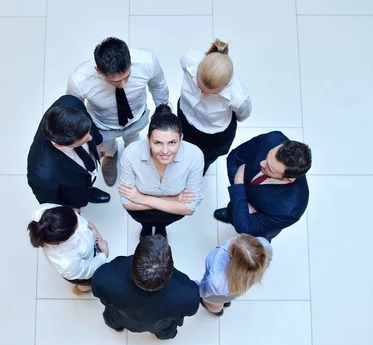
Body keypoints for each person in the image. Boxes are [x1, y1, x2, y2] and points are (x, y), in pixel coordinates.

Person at [67, 37, 169, 187]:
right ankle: (110, 155)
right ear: (98, 70)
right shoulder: (80, 80)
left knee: (133, 139)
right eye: (115, 81)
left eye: (127, 77)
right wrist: (90, 138)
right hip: (103, 127)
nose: (123, 84)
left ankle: (132, 152)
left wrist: (162, 112)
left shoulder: (147, 62)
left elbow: (158, 86)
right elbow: (76, 111)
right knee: (107, 147)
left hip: (136, 118)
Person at [118, 104, 204, 239]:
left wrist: (141, 198)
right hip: (142, 213)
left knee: (163, 224)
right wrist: (175, 199)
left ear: (181, 138)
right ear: (148, 139)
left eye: (172, 143)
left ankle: (161, 228)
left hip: (169, 214)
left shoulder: (194, 155)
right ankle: (146, 227)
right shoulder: (131, 153)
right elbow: (127, 203)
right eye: (157, 143)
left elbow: (189, 208)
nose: (165, 151)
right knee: (144, 223)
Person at [92, 235, 199, 340]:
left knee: (114, 322)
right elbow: (190, 311)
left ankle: (118, 328)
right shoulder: (189, 294)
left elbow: (98, 292)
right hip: (159, 326)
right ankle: (162, 336)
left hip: (119, 317)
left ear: (134, 259)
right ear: (170, 265)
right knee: (166, 332)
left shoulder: (104, 277)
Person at [214, 131, 311, 241]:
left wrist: (239, 184)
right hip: (246, 208)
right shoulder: (273, 139)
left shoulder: (291, 209)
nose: (262, 163)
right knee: (234, 212)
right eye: (267, 156)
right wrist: (240, 196)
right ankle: (231, 214)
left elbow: (244, 227)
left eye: (270, 168)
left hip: (261, 228)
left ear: (288, 179)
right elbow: (233, 159)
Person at [178, 39, 251, 174]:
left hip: (213, 135)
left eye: (213, 93)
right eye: (199, 87)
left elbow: (242, 115)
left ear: (226, 84)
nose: (203, 94)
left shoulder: (238, 97)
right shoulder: (190, 61)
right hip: (184, 116)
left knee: (203, 161)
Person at [27, 95, 110, 210]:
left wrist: (99, 143)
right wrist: (68, 210)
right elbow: (49, 202)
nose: (90, 139)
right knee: (77, 198)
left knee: (85, 185)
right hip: (71, 191)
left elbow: (88, 121)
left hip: (82, 178)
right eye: (83, 140)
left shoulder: (71, 103)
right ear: (59, 144)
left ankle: (88, 191)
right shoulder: (42, 174)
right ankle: (82, 198)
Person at [28, 203, 109, 294]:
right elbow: (89, 270)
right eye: (76, 227)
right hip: (82, 273)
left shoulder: (44, 212)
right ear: (64, 240)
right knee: (88, 282)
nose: (78, 218)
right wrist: (104, 254)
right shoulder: (67, 263)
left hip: (88, 255)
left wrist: (92, 228)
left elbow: (77, 218)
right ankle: (82, 288)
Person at [198, 234, 272, 316]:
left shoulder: (217, 279)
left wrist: (197, 292)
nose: (232, 239)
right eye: (238, 238)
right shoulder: (265, 247)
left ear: (235, 261)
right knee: (225, 299)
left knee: (214, 304)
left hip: (215, 294)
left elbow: (204, 290)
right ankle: (226, 302)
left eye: (232, 245)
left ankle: (218, 311)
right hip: (235, 290)